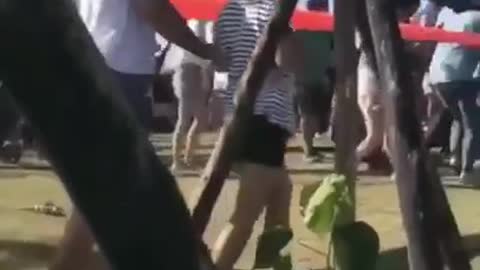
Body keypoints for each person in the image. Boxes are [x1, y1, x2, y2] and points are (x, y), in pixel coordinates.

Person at [50, 0, 223, 269]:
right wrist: (203, 49)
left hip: (94, 61)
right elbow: (152, 8)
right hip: (120, 73)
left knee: (110, 197)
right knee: (103, 199)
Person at [212, 27, 298, 270]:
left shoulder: (237, 18)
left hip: (254, 123)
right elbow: (288, 61)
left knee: (280, 202)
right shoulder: (274, 24)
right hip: (262, 125)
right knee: (244, 218)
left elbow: (220, 60)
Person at [429, 4, 480, 185]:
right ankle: (469, 170)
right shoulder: (477, 18)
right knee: (472, 123)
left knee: (459, 119)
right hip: (461, 75)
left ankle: (455, 159)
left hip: (438, 75)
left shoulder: (448, 15)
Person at [171, 19, 215, 172]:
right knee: (185, 119)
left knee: (200, 118)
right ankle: (177, 162)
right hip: (187, 72)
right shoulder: (192, 26)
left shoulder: (203, 25)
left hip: (196, 73)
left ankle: (188, 158)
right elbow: (199, 51)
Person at [295, 0, 334, 162]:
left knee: (317, 117)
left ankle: (310, 148)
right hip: (304, 77)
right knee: (308, 116)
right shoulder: (300, 26)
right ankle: (308, 151)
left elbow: (333, 49)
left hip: (321, 77)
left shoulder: (328, 25)